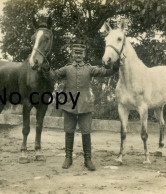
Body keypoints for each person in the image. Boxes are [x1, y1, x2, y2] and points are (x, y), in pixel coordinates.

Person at [42, 38, 119, 171]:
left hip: (85, 105)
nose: (78, 55)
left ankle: (88, 160)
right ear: (72, 54)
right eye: (76, 53)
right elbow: (53, 76)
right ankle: (68, 157)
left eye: (80, 53)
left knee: (86, 132)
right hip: (69, 105)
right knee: (69, 131)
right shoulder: (67, 69)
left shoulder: (90, 69)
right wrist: (46, 69)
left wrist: (115, 66)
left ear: (84, 55)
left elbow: (105, 72)